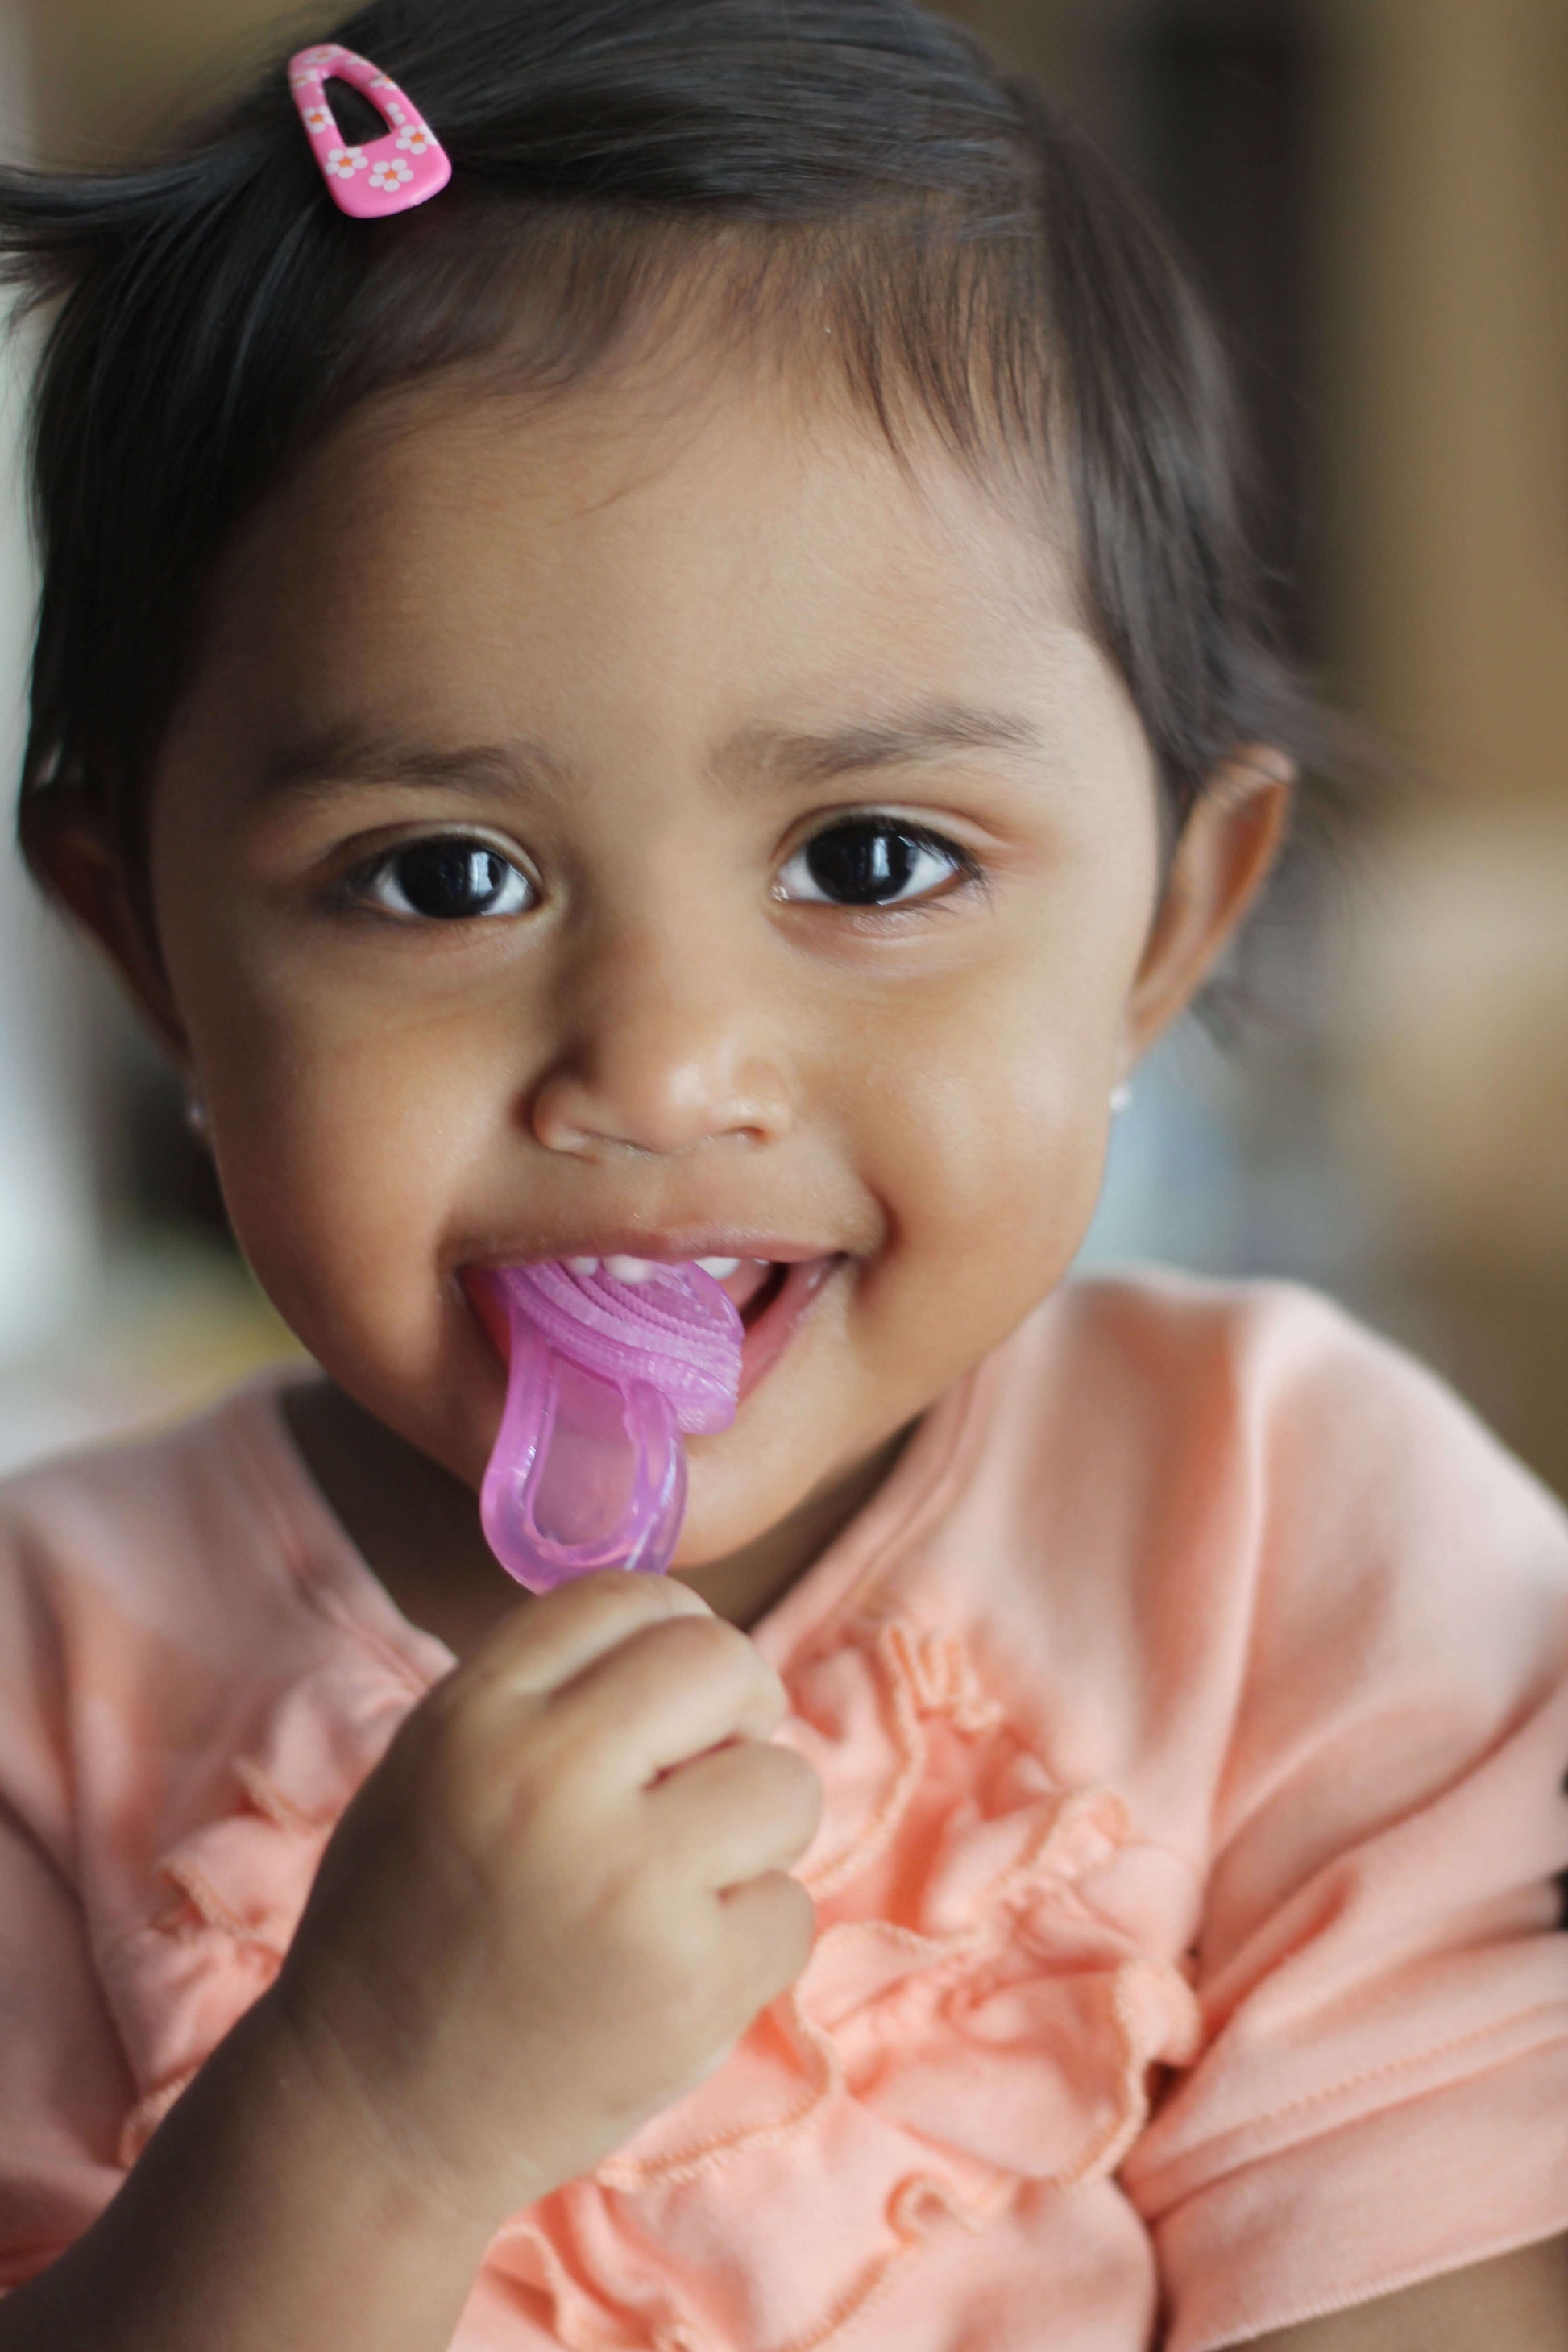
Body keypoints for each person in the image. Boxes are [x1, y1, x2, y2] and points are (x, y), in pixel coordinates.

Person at [0, 1, 1564, 2345]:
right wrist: (362, 2126)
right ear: (148, 944)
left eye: (865, 854)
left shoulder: (1289, 1542)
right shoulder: (51, 1690)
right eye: (440, 878)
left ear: (1172, 919)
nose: (662, 1064)